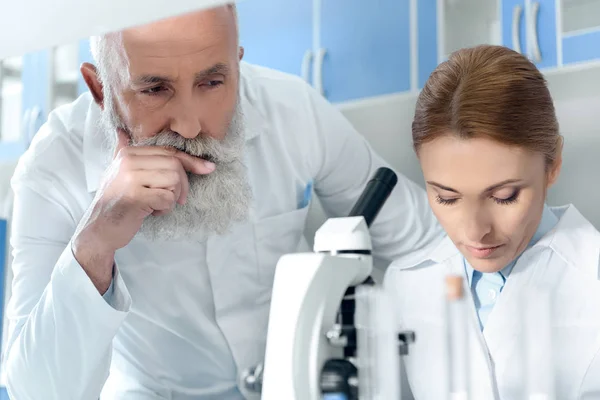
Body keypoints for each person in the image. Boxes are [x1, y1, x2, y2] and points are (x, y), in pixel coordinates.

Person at [3, 4, 442, 399]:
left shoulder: (294, 110)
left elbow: (424, 241)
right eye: (155, 89)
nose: (191, 126)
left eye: (213, 82)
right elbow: (35, 390)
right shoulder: (50, 168)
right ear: (101, 89)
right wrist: (94, 244)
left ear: (238, 64)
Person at [384, 45, 600, 399]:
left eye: (504, 197)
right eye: (447, 198)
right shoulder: (406, 282)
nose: (474, 232)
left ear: (554, 163)